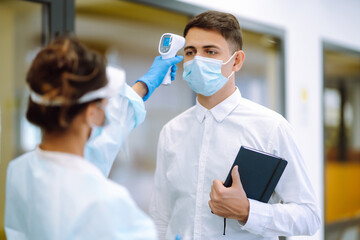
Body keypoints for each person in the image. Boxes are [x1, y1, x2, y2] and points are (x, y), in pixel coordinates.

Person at [149, 11, 321, 239]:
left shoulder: (271, 128)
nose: (197, 60)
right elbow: (161, 217)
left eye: (210, 51)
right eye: (190, 52)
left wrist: (248, 211)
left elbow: (309, 216)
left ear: (236, 61)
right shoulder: (171, 131)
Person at [4, 35, 183, 240]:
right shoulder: (105, 200)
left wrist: (142, 87)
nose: (108, 108)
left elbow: (96, 148)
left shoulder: (19, 170)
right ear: (91, 113)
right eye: (105, 101)